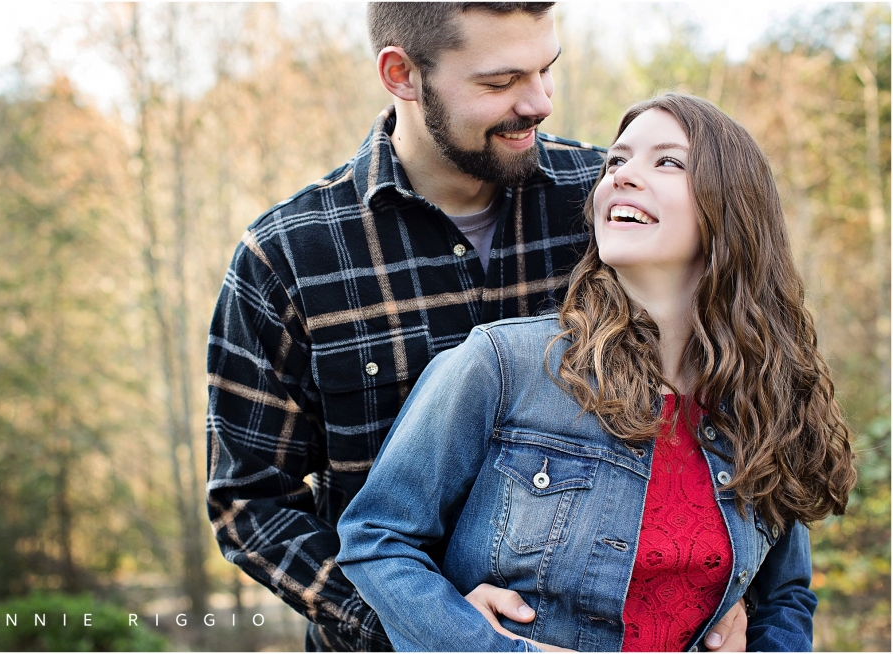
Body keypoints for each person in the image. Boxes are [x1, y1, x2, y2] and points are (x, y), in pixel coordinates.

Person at [207, 2, 746, 650]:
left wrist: (729, 597)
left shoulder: (609, 206)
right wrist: (430, 626)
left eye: (547, 69)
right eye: (500, 82)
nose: (541, 101)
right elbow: (251, 505)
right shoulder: (288, 259)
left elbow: (727, 393)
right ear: (402, 74)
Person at [336, 93, 858, 652]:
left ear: (732, 209)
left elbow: (786, 597)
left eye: (668, 161)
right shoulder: (504, 366)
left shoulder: (766, 398)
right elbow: (377, 539)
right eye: (617, 161)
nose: (623, 176)